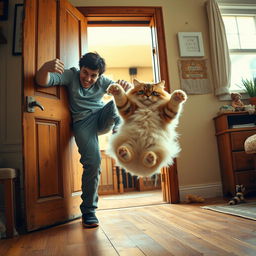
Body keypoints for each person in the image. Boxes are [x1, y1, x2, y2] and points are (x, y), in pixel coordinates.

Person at [35, 52, 131, 228]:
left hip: (102, 118)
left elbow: (129, 95)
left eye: (93, 75)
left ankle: (119, 130)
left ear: (99, 75)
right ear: (81, 69)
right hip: (82, 123)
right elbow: (42, 81)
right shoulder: (71, 75)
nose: (88, 78)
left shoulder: (103, 81)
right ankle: (89, 212)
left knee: (120, 96)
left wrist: (126, 86)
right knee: (93, 163)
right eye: (85, 73)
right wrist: (45, 68)